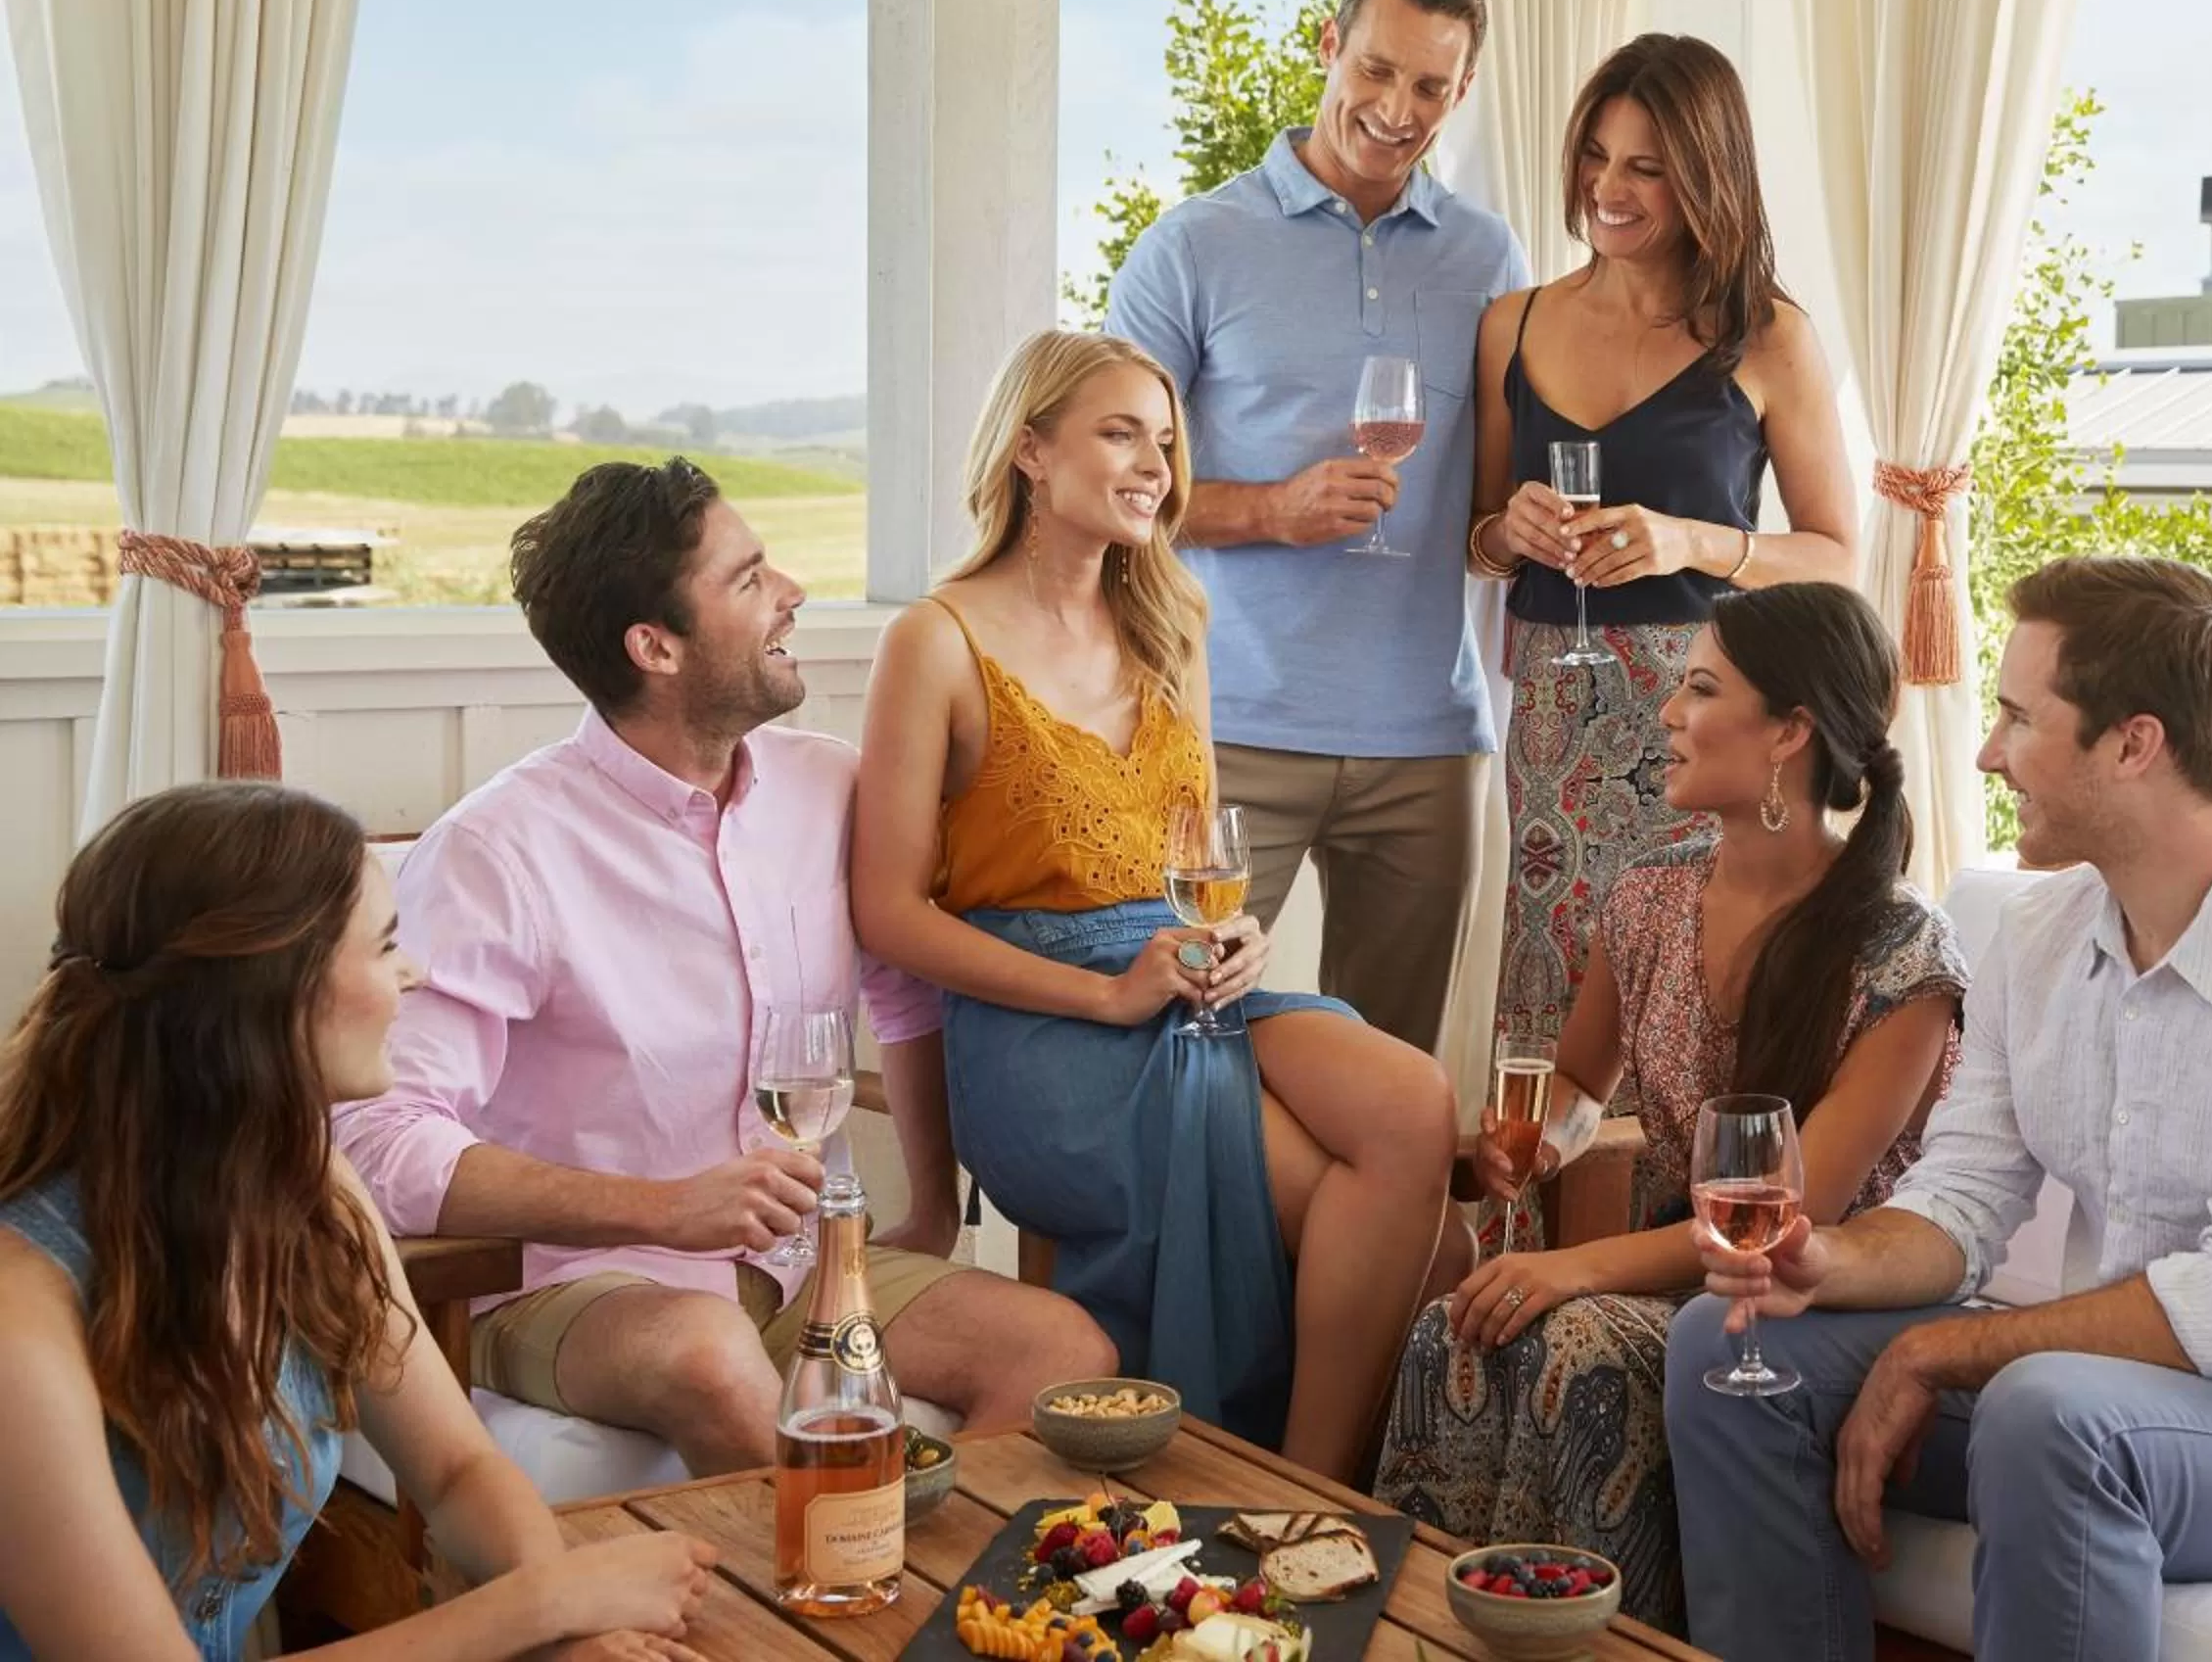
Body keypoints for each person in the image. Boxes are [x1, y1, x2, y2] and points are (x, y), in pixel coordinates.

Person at [1667, 556, 2212, 1662]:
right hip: (2109, 1398)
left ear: (2133, 743)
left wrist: (1929, 1356)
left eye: (2016, 716)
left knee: (2049, 1412)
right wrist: (1835, 1264)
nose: (1985, 752)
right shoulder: (2038, 934)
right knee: (1724, 1352)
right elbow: (1961, 1197)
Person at [335, 462, 1115, 1479]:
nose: (792, 590)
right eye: (748, 578)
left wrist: (931, 1196)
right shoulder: (499, 850)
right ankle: (850, 1609)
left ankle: (944, 1598)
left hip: (800, 1270)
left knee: (1063, 1349)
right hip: (572, 1283)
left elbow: (902, 981)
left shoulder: (827, 784)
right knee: (708, 1355)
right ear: (655, 646)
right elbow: (379, 1138)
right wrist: (663, 1209)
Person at [851, 329, 1457, 1482]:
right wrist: (1105, 993)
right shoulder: (934, 640)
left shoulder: (1172, 621)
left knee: (1413, 1098)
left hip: (1180, 979)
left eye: (1167, 441)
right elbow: (889, 914)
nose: (1155, 466)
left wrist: (1236, 937)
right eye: (1120, 432)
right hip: (1042, 1030)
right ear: (1029, 450)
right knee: (1410, 1232)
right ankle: (1300, 1486)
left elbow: (1200, 855)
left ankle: (1305, 1483)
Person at [0, 781, 719, 1662]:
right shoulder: (19, 1309)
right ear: (270, 989)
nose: (411, 973)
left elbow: (457, 1474)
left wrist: (572, 1629)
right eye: (384, 946)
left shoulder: (311, 1194)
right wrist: (539, 1604)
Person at [1375, 584, 1960, 1633]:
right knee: (1451, 1333)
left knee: (1578, 1341)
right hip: (1678, 1278)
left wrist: (1573, 1263)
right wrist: (1536, 1143)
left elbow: (1790, 1219)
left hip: (1824, 1301)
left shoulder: (1903, 957)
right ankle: (1423, 1635)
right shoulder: (1649, 892)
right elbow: (1579, 1087)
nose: (1665, 715)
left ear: (1790, 731)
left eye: (1698, 688)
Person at [1105, 0, 1529, 1059]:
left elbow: (1486, 503)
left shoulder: (1490, 258)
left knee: (1392, 1079)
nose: (1398, 109)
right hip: (1229, 725)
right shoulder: (1195, 245)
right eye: (1378, 70)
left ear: (1462, 90)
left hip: (1426, 742)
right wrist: (1274, 510)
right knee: (1175, 1045)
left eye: (1431, 86)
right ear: (1330, 45)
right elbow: (1109, 486)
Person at [1467, 34, 1855, 1245]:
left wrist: (1695, 539)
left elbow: (1841, 552)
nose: (1611, 190)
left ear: (1712, 177)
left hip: (1703, 721)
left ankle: (1681, 1286)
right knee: (1549, 1003)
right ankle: (1521, 1286)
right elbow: (1474, 540)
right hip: (1551, 709)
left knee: (1688, 1003)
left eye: (1650, 166)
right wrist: (1507, 527)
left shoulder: (1769, 337)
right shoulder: (1513, 325)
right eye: (1597, 156)